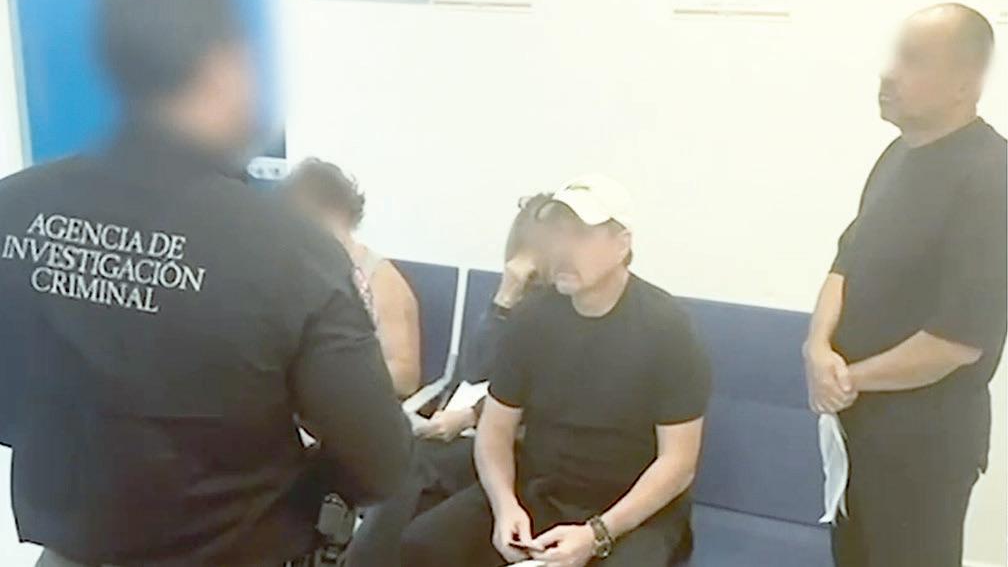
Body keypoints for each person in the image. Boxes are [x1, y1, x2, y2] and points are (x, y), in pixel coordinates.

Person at [0, 0, 412, 566]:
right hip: (236, 548)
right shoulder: (292, 252)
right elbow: (381, 461)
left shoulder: (14, 209)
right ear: (224, 66)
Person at [401, 176, 712, 567]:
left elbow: (678, 463)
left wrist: (597, 534)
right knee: (422, 546)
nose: (562, 249)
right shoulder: (532, 319)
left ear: (622, 244)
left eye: (580, 235)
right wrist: (505, 507)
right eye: (557, 234)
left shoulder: (666, 327)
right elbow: (495, 430)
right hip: (540, 492)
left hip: (632, 512)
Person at [803, 3, 1006, 567]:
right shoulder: (897, 156)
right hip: (856, 433)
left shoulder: (992, 178)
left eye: (913, 61)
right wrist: (817, 347)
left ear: (964, 82)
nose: (888, 74)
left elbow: (956, 343)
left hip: (924, 451)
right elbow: (845, 263)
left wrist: (847, 379)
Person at [346, 192, 553, 567]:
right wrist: (505, 297)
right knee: (411, 478)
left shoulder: (567, 311)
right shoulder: (523, 302)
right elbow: (477, 368)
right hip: (495, 435)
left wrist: (471, 416)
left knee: (416, 467)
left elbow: (546, 394)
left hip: (527, 449)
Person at [285, 158, 422, 398]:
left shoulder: (380, 278)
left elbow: (405, 378)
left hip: (355, 405)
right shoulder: (299, 271)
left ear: (340, 214)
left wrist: (331, 378)